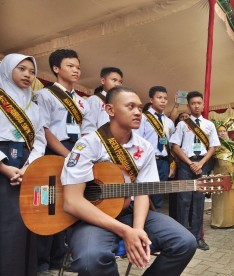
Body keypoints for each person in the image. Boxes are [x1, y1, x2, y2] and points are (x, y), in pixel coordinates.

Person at [60, 85, 197, 275]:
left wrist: (137, 230)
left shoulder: (145, 147)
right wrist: (126, 232)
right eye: (130, 106)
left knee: (185, 242)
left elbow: (142, 191)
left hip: (130, 212)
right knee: (90, 260)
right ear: (110, 110)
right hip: (91, 217)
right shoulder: (89, 144)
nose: (137, 112)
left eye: (140, 108)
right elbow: (72, 201)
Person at [34, 48, 96, 273]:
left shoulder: (83, 102)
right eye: (70, 66)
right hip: (53, 153)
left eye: (78, 67)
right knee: (49, 206)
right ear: (56, 68)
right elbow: (44, 130)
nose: (76, 70)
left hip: (77, 154)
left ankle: (60, 257)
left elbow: (88, 132)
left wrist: (80, 156)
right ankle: (41, 262)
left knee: (71, 207)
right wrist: (68, 155)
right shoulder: (44, 95)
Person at [0, 53, 47, 276]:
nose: (28, 75)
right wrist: (4, 167)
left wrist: (30, 166)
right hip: (3, 163)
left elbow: (40, 139)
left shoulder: (33, 103)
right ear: (8, 69)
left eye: (32, 71)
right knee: (8, 223)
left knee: (28, 220)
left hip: (27, 165)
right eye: (21, 69)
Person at [170, 91, 220, 251]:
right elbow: (175, 146)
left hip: (202, 164)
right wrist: (190, 163)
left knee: (198, 202)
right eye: (193, 103)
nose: (196, 106)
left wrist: (201, 163)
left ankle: (198, 238)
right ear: (188, 105)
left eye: (199, 103)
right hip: (186, 165)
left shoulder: (209, 125)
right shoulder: (182, 125)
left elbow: (213, 147)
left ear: (203, 104)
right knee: (183, 201)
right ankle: (183, 238)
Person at [137, 85, 175, 210]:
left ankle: (156, 219)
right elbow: (138, 140)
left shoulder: (169, 122)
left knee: (158, 195)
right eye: (159, 97)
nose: (163, 101)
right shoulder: (143, 117)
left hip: (163, 162)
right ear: (151, 99)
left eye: (165, 98)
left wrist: (171, 164)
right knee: (144, 194)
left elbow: (170, 144)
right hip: (147, 161)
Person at [210, 125, 234, 228]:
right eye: (220, 131)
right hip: (219, 173)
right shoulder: (214, 145)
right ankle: (217, 222)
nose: (222, 133)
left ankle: (232, 222)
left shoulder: (232, 144)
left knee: (232, 198)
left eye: (224, 131)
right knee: (219, 197)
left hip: (233, 173)